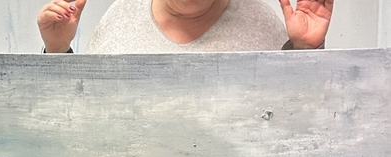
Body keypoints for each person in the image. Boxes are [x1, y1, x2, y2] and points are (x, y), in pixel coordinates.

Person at [37, 0, 334, 54]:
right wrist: (58, 51)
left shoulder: (261, 22)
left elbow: (296, 129)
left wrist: (306, 50)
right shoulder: (120, 16)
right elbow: (82, 122)